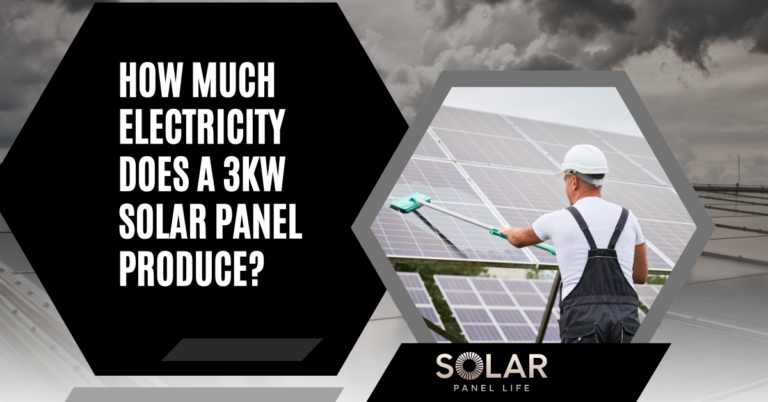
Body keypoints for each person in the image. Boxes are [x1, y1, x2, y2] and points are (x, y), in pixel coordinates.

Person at [498, 144, 648, 343]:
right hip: (626, 323)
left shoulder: (558, 219)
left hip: (582, 323)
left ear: (574, 181)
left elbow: (518, 239)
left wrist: (506, 231)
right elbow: (640, 276)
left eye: (565, 181)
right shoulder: (629, 218)